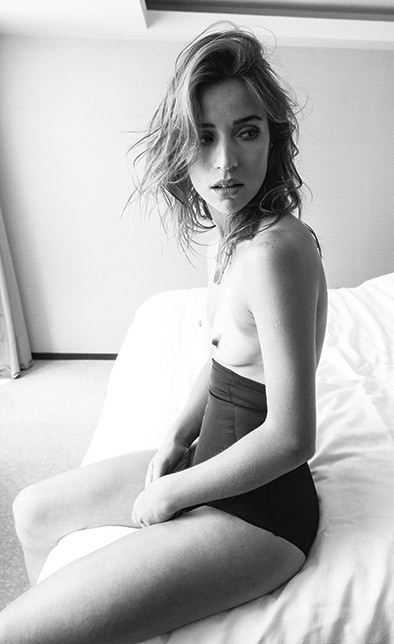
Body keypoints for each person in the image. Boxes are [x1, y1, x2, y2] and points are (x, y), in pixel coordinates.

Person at [0, 23, 327, 643]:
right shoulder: (231, 234)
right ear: (181, 146)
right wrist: (178, 435)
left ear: (274, 138)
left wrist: (173, 494)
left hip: (260, 510)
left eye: (247, 132)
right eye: (204, 137)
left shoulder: (275, 253)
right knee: (32, 511)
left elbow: (292, 437)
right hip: (211, 457)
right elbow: (226, 360)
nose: (226, 161)